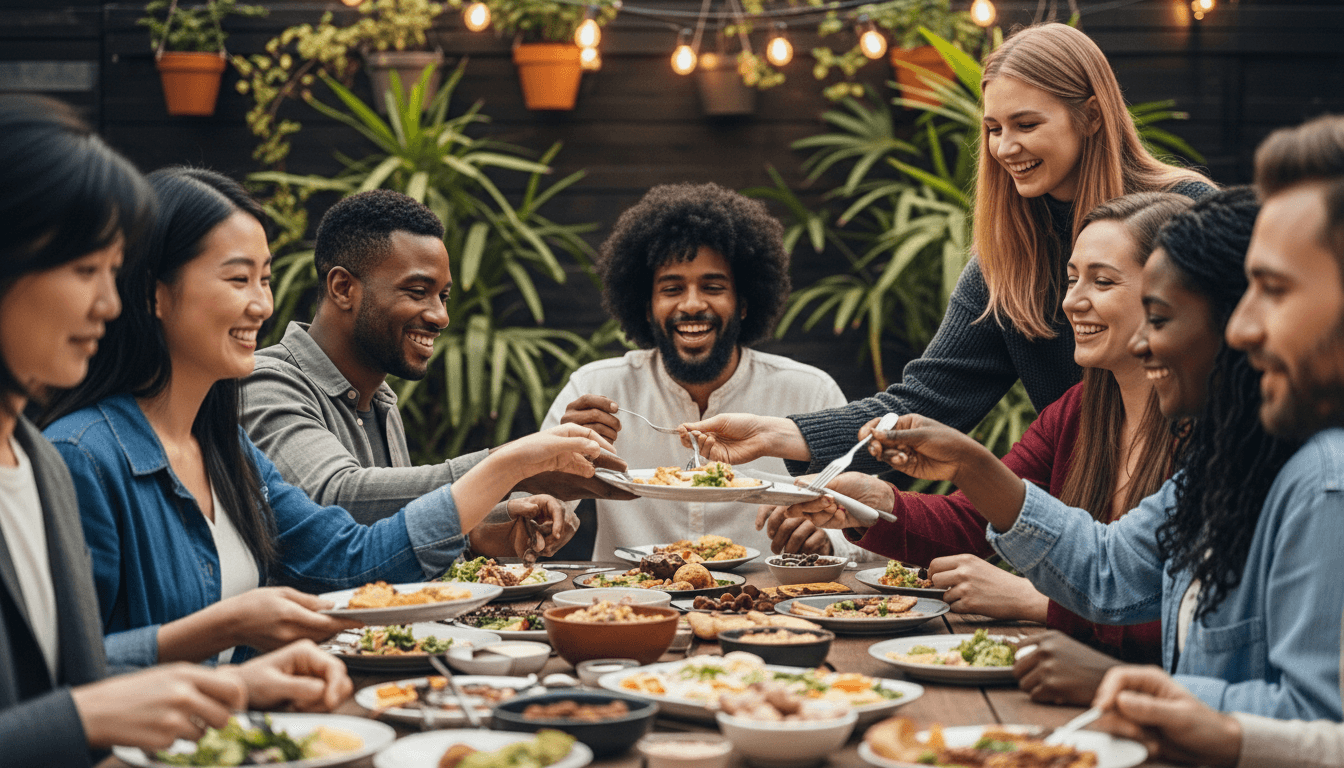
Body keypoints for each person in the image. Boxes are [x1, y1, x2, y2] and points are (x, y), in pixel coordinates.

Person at [41, 167, 611, 669]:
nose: (262, 303)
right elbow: (53, 674)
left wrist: (497, 496)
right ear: (153, 293)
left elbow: (348, 560)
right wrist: (510, 464)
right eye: (238, 279)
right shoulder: (82, 457)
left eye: (264, 278)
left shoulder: (223, 448)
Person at [854, 188, 1344, 720]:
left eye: (1159, 317)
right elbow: (1109, 570)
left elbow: (1315, 720)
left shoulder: (1320, 484)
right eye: (1072, 278)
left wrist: (1109, 678)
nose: (1141, 344)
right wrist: (965, 467)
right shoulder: (1224, 460)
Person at [679, 22, 1213, 478]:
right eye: (994, 129)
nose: (1006, 148)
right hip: (1087, 510)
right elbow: (929, 400)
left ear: (1092, 116)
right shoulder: (1011, 254)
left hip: (1195, 493)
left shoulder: (1189, 213)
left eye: (1027, 124)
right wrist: (777, 432)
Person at [0, 96, 349, 765]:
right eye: (84, 270)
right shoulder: (79, 453)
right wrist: (94, 711)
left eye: (112, 272)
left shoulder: (39, 465)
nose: (107, 303)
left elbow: (74, 681)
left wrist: (233, 686)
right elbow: (76, 702)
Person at [774, 193, 1192, 687]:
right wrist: (876, 503)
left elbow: (1179, 617)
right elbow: (975, 519)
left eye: (1102, 281)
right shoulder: (1078, 410)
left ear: (1171, 297)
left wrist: (1036, 603)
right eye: (1073, 278)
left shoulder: (1209, 433)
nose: (1071, 301)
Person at [1089, 116, 1344, 768]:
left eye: (1277, 289)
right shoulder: (1244, 457)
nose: (1243, 329)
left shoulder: (1325, 477)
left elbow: (1317, 711)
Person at [241, 189, 606, 559]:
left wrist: (484, 529)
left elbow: (381, 531)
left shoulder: (381, 401)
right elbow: (335, 498)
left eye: (443, 297)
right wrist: (513, 466)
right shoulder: (265, 382)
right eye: (418, 291)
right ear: (343, 288)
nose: (440, 316)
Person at [547, 182, 860, 558]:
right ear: (646, 307)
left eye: (712, 286)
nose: (692, 304)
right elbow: (537, 511)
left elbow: (868, 517)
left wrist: (832, 538)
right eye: (672, 288)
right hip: (633, 605)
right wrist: (559, 462)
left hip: (770, 604)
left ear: (743, 303)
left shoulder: (811, 393)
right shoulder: (594, 389)